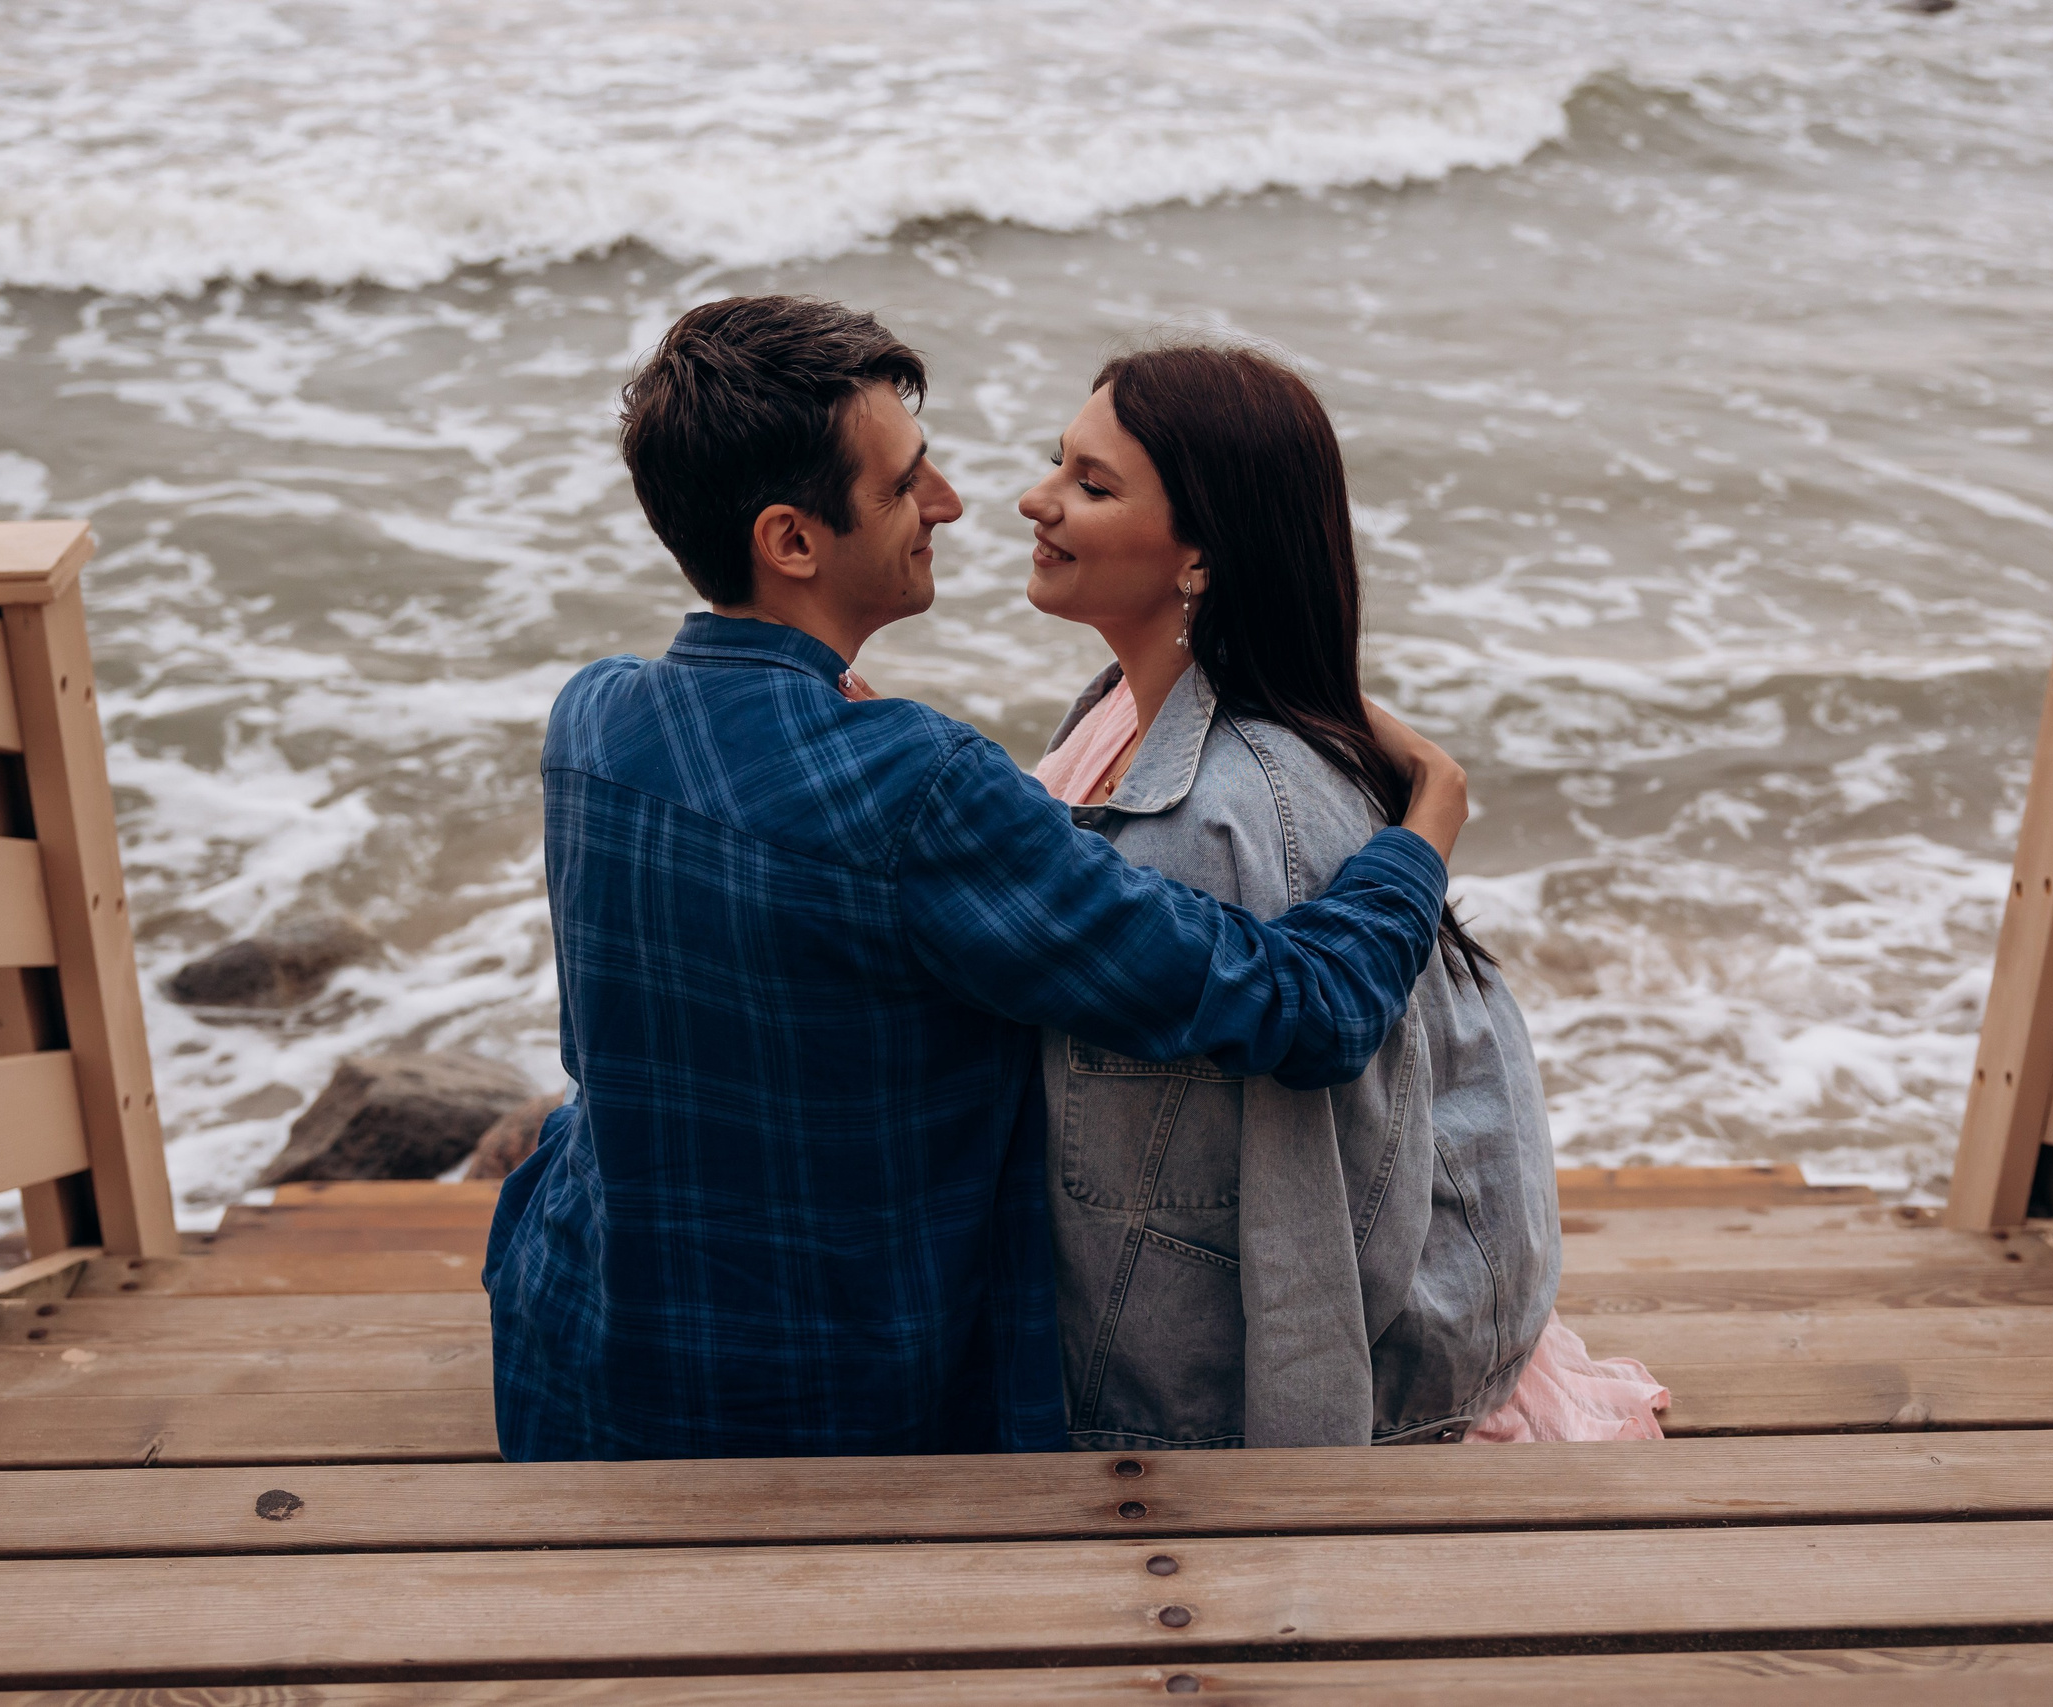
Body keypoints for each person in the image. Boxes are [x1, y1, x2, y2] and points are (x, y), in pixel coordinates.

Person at [485, 296, 1475, 1461]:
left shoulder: (592, 716)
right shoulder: (918, 789)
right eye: (904, 483)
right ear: (792, 541)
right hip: (829, 1422)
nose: (952, 501)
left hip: (574, 1349)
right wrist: (1425, 823)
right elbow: (1309, 1008)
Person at [1024, 341, 1666, 1448]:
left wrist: (1307, 1476)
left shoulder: (1226, 816)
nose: (1036, 500)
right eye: (1057, 462)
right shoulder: (1125, 710)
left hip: (1222, 1404)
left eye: (1092, 484)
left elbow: (1314, 1190)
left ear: (1201, 558)